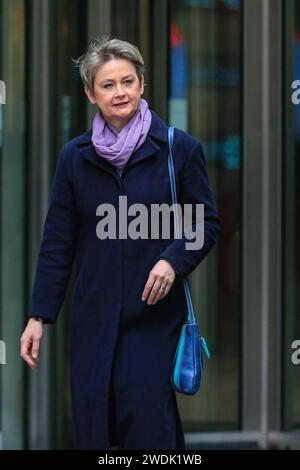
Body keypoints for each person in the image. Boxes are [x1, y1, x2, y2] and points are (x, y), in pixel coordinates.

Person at [20, 36, 220, 450]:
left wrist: (172, 261)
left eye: (128, 81)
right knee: (97, 430)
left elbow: (205, 221)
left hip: (154, 321)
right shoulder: (74, 158)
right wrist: (39, 315)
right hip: (94, 322)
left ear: (142, 84)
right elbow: (58, 242)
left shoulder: (177, 149)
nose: (120, 92)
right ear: (90, 93)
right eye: (108, 85)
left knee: (149, 429)